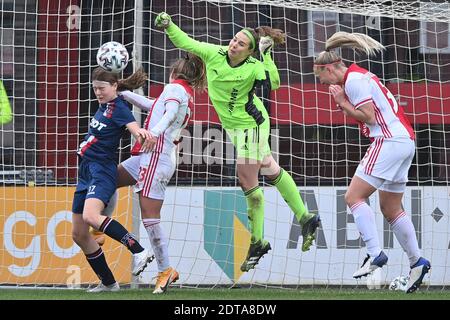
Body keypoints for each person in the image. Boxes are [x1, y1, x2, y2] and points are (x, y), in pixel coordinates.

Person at [154, 12, 321, 272]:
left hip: (251, 124)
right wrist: (169, 25)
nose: (234, 44)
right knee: (269, 167)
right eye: (234, 40)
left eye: (241, 44)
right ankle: (306, 217)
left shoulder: (254, 66)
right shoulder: (214, 54)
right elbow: (185, 42)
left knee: (246, 178)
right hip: (235, 127)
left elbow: (274, 83)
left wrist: (265, 55)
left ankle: (258, 241)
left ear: (249, 51)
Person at [313, 31, 431, 293]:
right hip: (404, 141)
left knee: (353, 197)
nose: (320, 82)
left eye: (319, 75)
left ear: (330, 68)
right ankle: (417, 262)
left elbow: (369, 118)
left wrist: (342, 102)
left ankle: (375, 253)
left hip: (388, 141)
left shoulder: (353, 81)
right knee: (390, 208)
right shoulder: (359, 76)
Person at [92, 54, 207, 294]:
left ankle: (165, 270)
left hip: (156, 156)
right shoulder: (179, 91)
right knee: (110, 179)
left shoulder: (175, 90)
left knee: (150, 218)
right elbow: (151, 105)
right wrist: (123, 94)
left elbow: (167, 113)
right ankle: (99, 228)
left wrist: (152, 132)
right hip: (149, 157)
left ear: (174, 72)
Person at [72, 67, 155, 292]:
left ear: (115, 87)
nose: (98, 92)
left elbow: (133, 128)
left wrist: (142, 135)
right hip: (85, 172)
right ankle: (109, 283)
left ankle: (138, 250)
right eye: (95, 88)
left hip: (102, 172)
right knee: (79, 234)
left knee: (91, 216)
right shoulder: (103, 106)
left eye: (102, 88)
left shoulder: (119, 107)